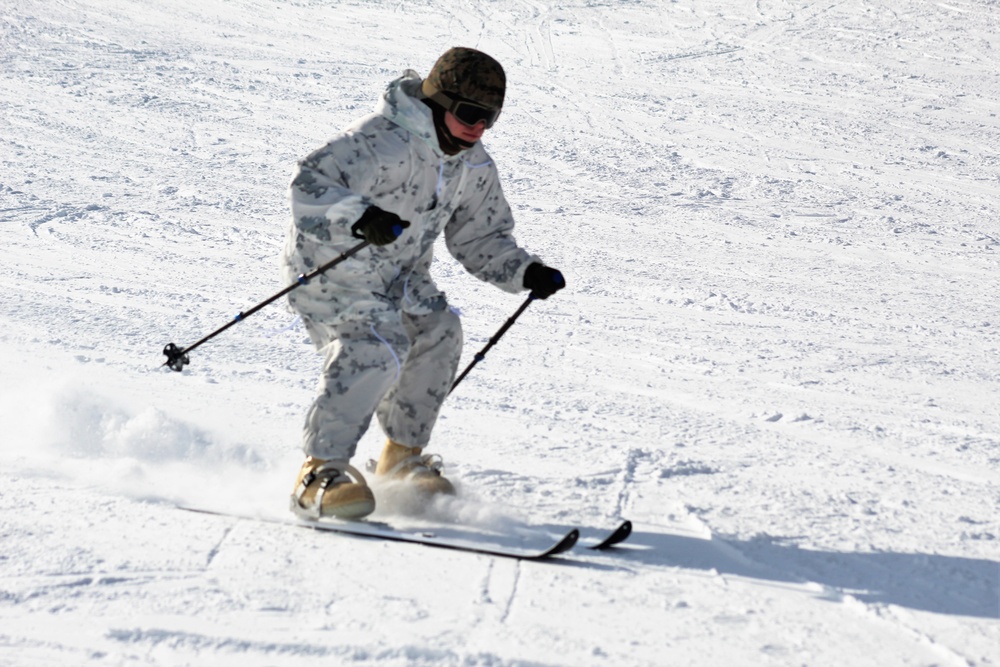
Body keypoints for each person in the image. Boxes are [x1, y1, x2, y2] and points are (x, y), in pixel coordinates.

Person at [280, 47, 565, 520]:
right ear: (437, 103)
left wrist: (523, 271)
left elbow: (482, 237)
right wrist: (360, 217)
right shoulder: (377, 142)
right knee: (376, 346)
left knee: (439, 332)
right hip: (335, 269)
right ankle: (318, 473)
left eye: (489, 118)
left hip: (400, 276)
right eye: (470, 114)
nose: (478, 127)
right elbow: (309, 184)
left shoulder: (471, 165)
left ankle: (400, 459)